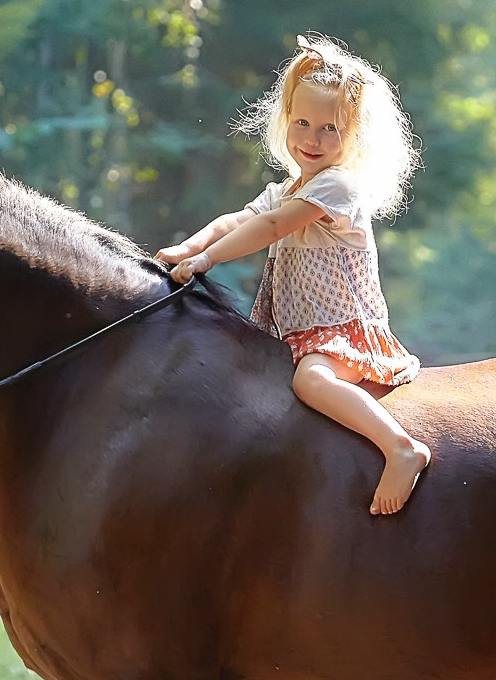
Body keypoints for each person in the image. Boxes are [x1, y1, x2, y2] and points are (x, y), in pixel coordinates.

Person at [157, 36, 434, 514]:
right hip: (299, 332)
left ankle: (400, 448)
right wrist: (188, 246)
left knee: (312, 382)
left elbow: (270, 227)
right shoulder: (289, 186)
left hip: (344, 332)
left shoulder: (338, 187)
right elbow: (238, 219)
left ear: (354, 137)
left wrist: (207, 262)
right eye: (302, 123)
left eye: (330, 129)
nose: (312, 139)